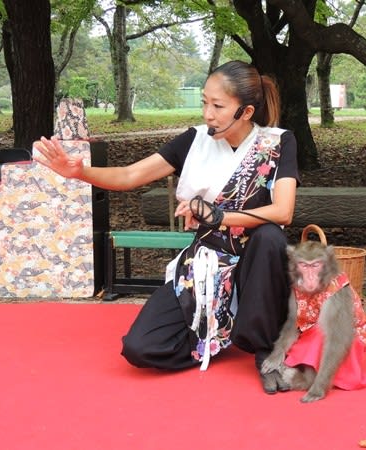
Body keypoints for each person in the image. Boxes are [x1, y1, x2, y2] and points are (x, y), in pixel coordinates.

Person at [33, 60, 300, 391]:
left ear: (246, 112)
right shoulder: (195, 141)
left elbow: (283, 210)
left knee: (271, 238)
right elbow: (131, 174)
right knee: (141, 347)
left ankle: (266, 351)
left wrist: (218, 215)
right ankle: (221, 331)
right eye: (205, 102)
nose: (207, 113)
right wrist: (81, 172)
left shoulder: (277, 142)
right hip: (208, 263)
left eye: (217, 106)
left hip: (259, 263)